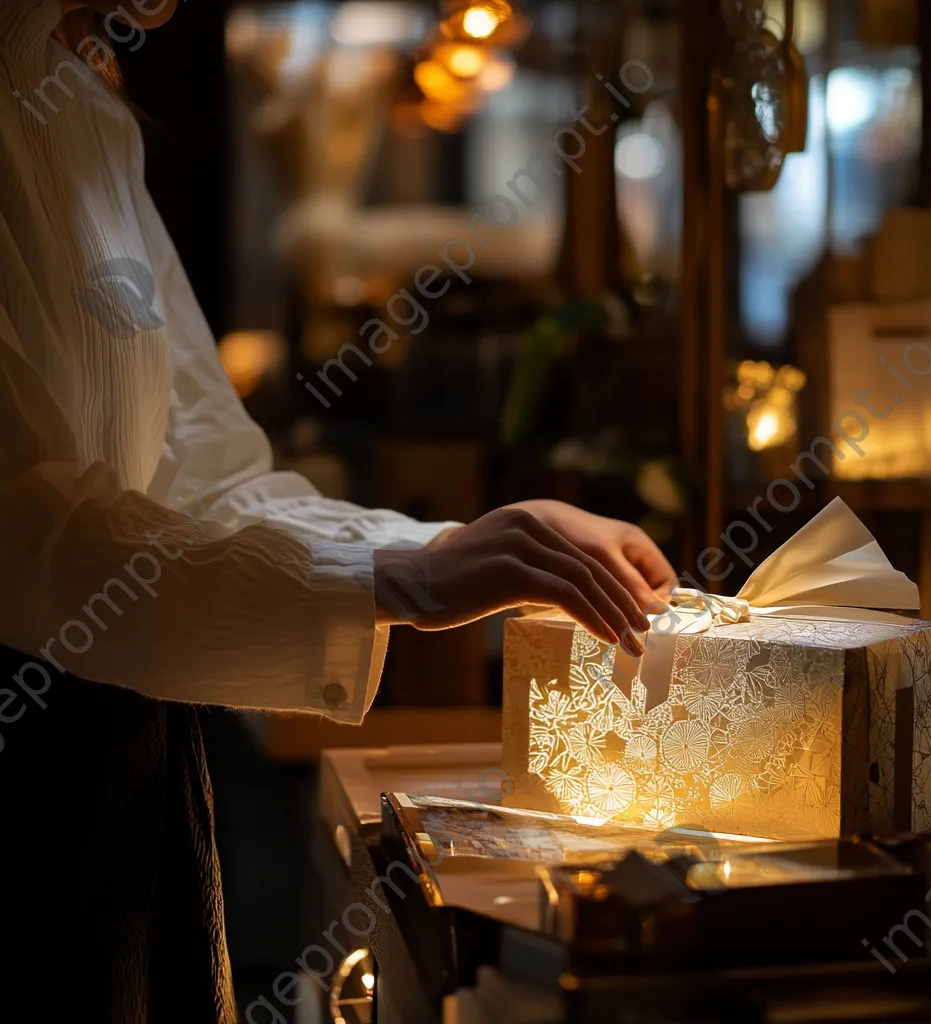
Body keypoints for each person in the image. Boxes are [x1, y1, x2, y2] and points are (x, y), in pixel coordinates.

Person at [0, 3, 675, 1021]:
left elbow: (206, 476)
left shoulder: (92, 122)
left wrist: (444, 550)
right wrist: (406, 577)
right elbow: (23, 529)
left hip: (132, 750)